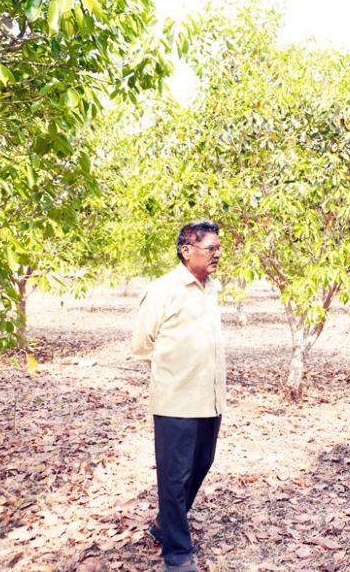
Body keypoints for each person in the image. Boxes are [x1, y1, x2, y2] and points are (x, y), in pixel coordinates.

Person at [132, 220, 226, 572]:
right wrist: (173, 374)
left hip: (211, 398)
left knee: (201, 465)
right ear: (187, 250)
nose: (217, 255)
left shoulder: (210, 286)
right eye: (210, 249)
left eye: (218, 248)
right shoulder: (164, 289)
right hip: (177, 401)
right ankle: (176, 554)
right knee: (174, 476)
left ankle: (163, 524)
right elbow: (142, 345)